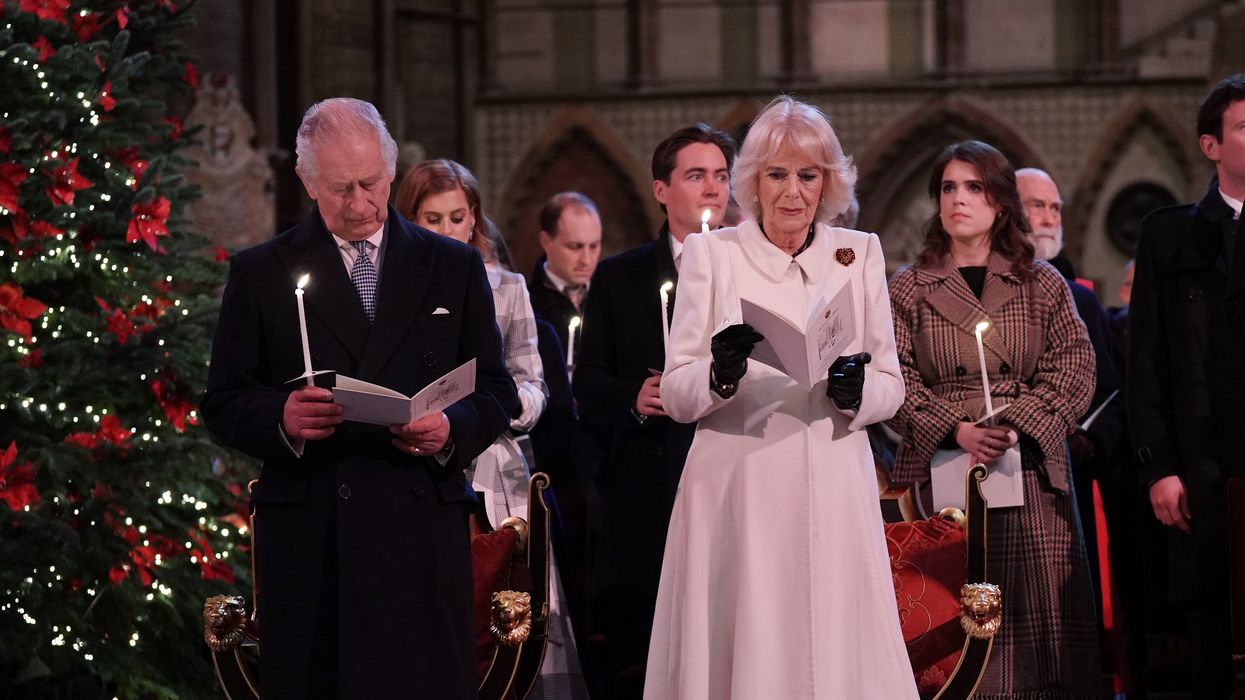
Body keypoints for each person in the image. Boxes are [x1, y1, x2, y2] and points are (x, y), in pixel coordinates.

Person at [200, 98, 518, 698]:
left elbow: (498, 388)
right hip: (315, 536)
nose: (359, 203)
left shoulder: (450, 265)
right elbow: (222, 400)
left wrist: (452, 428)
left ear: (391, 169)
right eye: (339, 188)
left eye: (370, 183)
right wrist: (282, 416)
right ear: (306, 181)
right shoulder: (263, 272)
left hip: (421, 525)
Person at [645, 96, 915, 699]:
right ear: (754, 183)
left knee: (837, 649)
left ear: (827, 183)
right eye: (777, 174)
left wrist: (857, 391)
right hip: (739, 486)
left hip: (834, 482)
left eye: (808, 175)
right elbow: (679, 392)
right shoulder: (713, 256)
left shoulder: (858, 252)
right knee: (748, 648)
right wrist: (719, 372)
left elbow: (892, 386)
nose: (793, 192)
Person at [888, 140, 1100, 698]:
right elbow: (894, 376)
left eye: (974, 187)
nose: (959, 199)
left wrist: (1018, 423)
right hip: (944, 477)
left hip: (1028, 471)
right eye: (949, 188)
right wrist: (955, 429)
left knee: (1039, 634)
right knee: (956, 629)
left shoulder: (1041, 283)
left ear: (1001, 202)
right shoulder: (909, 288)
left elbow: (1076, 366)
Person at [394, 159, 588, 700]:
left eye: (458, 217)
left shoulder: (505, 288)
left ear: (474, 218)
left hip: (496, 472)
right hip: (414, 464)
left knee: (511, 619)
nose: (448, 230)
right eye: (432, 219)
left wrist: (486, 409)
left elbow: (534, 388)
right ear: (409, 220)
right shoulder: (391, 288)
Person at [572, 123, 735, 698]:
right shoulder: (622, 276)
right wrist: (631, 398)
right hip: (648, 489)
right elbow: (587, 382)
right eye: (696, 176)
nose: (712, 188)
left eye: (720, 176)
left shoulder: (749, 265)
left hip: (732, 473)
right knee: (646, 651)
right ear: (662, 190)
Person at [1128, 74, 1245, 698]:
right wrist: (1158, 466)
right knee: (1209, 623)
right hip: (1201, 464)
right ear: (1211, 146)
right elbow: (1146, 363)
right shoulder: (1169, 235)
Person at [528, 192, 603, 353]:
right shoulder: (525, 303)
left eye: (594, 246)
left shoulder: (610, 294)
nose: (586, 260)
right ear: (546, 242)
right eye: (575, 247)